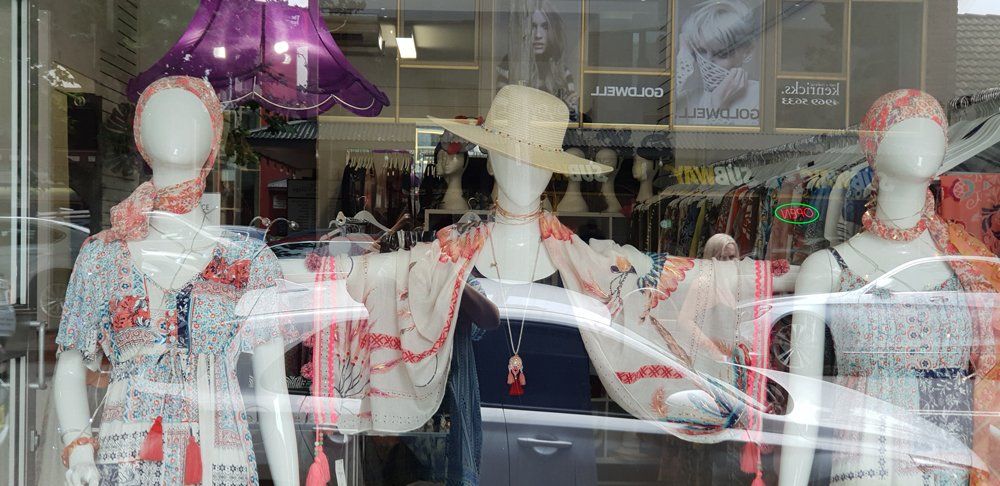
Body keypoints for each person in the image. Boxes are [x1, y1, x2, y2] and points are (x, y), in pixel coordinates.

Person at [675, 0, 760, 126]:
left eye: (721, 54)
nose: (708, 62)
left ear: (747, 51)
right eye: (701, 51)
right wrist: (684, 53)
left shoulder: (760, 97)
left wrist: (719, 109)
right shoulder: (689, 97)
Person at [497, 0, 579, 119]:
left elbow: (572, 119)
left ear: (552, 31)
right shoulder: (509, 66)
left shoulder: (563, 72)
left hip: (551, 136)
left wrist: (568, 108)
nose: (538, 35)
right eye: (532, 26)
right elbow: (501, 114)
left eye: (545, 27)